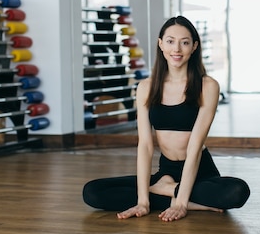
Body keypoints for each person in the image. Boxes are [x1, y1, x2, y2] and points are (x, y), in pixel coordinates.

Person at [82, 15, 250, 222]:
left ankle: (169, 192)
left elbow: (195, 147)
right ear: (161, 44)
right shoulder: (146, 87)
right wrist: (142, 201)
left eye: (185, 42)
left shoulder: (208, 86)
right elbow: (144, 145)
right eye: (170, 41)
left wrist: (180, 204)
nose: (176, 49)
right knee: (92, 192)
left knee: (237, 191)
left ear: (194, 46)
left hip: (200, 172)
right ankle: (184, 197)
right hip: (166, 172)